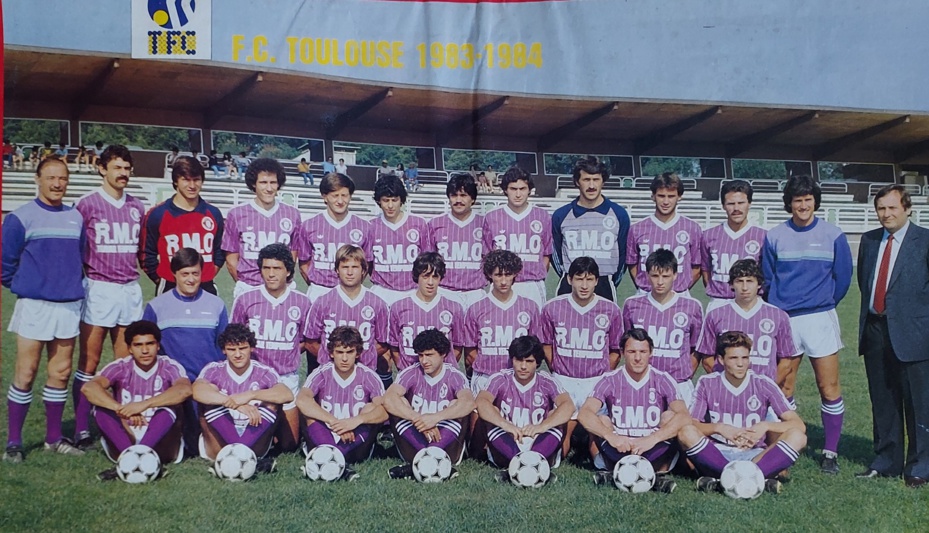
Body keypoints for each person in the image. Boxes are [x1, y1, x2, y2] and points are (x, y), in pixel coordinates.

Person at [762, 174, 852, 474]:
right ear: (790, 203)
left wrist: (821, 303)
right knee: (784, 384)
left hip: (819, 317)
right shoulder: (775, 235)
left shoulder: (833, 234)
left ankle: (830, 451)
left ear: (815, 201)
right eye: (798, 200)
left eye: (808, 199)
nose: (803, 205)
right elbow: (769, 277)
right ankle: (788, 443)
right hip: (785, 318)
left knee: (828, 385)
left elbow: (843, 279)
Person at [2, 157, 85, 462]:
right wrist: (30, 286)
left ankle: (53, 438)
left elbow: (80, 257)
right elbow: (5, 266)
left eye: (62, 178)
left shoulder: (75, 218)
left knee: (60, 372)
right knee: (26, 372)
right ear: (37, 179)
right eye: (50, 177)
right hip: (35, 305)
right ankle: (14, 442)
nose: (57, 184)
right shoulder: (20, 217)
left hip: (67, 305)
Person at [71, 144, 147, 449]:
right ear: (102, 169)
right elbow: (75, 250)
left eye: (127, 168)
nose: (123, 174)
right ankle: (80, 427)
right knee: (89, 361)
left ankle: (118, 420)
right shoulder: (86, 204)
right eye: (117, 168)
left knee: (123, 363)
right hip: (98, 287)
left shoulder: (137, 206)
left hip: (129, 288)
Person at [856, 184, 929, 488]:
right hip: (875, 330)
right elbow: (864, 280)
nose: (886, 214)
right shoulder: (870, 240)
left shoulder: (924, 240)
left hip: (915, 334)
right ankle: (886, 461)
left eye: (892, 208)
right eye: (881, 208)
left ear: (907, 208)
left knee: (919, 404)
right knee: (883, 402)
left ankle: (920, 467)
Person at [679, 331, 807, 494]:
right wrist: (719, 428)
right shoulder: (707, 383)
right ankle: (756, 479)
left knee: (798, 437)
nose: (740, 363)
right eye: (733, 358)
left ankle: (723, 480)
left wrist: (765, 426)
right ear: (721, 359)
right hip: (719, 454)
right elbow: (692, 424)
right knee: (686, 432)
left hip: (754, 455)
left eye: (744, 358)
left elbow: (798, 425)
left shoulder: (763, 383)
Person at [578, 328, 689, 493]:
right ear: (622, 353)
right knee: (601, 420)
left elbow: (684, 416)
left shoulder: (663, 379)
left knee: (670, 416)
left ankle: (616, 475)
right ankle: (651, 478)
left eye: (643, 351)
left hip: (652, 447)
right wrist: (611, 436)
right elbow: (584, 413)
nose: (638, 358)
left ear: (651, 352)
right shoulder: (609, 379)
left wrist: (652, 439)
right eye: (632, 351)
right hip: (620, 447)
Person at [142, 248, 228, 457]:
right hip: (174, 385)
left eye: (195, 273)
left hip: (206, 384)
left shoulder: (216, 304)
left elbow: (224, 348)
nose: (191, 279)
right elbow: (147, 348)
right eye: (185, 274)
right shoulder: (156, 306)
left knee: (210, 443)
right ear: (175, 274)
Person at [81, 320, 191, 480]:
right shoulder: (121, 366)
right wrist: (122, 409)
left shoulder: (168, 366)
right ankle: (132, 460)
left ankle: (129, 462)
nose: (145, 350)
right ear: (130, 348)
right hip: (126, 435)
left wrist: (142, 405)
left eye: (150, 344)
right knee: (101, 408)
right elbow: (88, 388)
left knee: (171, 407)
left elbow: (184, 390)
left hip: (161, 440)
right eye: (138, 345)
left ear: (158, 346)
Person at [231, 243, 312, 453]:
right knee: (250, 433)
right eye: (266, 268)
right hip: (254, 379)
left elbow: (306, 339)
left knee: (289, 444)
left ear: (288, 270)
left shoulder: (302, 302)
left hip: (286, 377)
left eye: (276, 268)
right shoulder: (246, 299)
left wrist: (288, 351)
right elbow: (234, 339)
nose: (271, 274)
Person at [540, 257, 623, 457]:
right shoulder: (552, 307)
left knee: (598, 437)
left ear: (597, 281)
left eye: (589, 279)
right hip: (564, 379)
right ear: (569, 280)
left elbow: (615, 349)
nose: (584, 285)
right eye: (579, 279)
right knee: (561, 432)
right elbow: (545, 343)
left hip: (595, 381)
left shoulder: (610, 309)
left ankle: (602, 464)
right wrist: (557, 368)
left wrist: (603, 374)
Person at [193, 324, 293, 472]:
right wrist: (234, 404)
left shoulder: (264, 371)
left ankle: (231, 461)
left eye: (243, 348)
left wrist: (250, 395)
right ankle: (250, 462)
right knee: (209, 399)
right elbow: (197, 391)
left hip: (254, 439)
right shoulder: (213, 370)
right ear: (223, 350)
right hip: (219, 442)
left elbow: (286, 394)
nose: (238, 354)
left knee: (272, 402)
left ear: (252, 348)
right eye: (232, 349)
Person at [476, 335, 574, 482]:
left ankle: (522, 467)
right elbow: (481, 402)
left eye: (529, 361)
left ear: (537, 363)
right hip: (508, 440)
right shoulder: (500, 378)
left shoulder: (547, 381)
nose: (523, 366)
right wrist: (506, 425)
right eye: (518, 360)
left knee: (557, 415)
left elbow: (568, 405)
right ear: (512, 360)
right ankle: (533, 468)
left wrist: (542, 426)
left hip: (538, 440)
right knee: (491, 414)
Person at [297, 326, 388, 481]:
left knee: (371, 408)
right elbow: (302, 399)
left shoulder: (368, 375)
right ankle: (340, 465)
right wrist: (335, 423)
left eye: (349, 352)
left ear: (358, 353)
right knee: (308, 410)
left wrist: (355, 421)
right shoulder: (322, 372)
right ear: (331, 353)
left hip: (355, 437)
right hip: (328, 431)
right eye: (340, 352)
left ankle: (323, 460)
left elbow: (384, 411)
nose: (344, 358)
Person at [383, 329, 475, 479]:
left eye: (429, 355)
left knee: (456, 404)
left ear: (443, 354)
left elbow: (469, 403)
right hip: (417, 435)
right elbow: (389, 399)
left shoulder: (454, 375)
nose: (424, 361)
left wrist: (434, 418)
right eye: (420, 355)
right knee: (400, 403)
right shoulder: (411, 372)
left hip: (445, 439)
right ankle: (434, 464)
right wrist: (418, 418)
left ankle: (416, 465)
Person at [621, 250, 704, 407]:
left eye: (665, 276)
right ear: (647, 275)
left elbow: (696, 348)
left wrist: (685, 373)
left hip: (679, 383)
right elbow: (627, 344)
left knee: (681, 428)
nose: (660, 282)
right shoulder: (632, 305)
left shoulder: (692, 306)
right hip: (643, 381)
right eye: (655, 276)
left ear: (675, 275)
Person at [696, 259, 800, 382]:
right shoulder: (715, 315)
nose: (744, 287)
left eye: (750, 281)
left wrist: (768, 389)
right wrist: (725, 385)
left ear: (759, 284)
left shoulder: (778, 316)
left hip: (763, 393)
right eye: (739, 281)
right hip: (727, 392)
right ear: (731, 284)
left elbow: (786, 361)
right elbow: (707, 358)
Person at [303, 244, 391, 388]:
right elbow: (310, 341)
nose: (350, 272)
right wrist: (330, 357)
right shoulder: (323, 301)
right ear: (337, 270)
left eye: (355, 267)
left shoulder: (377, 303)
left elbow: (383, 343)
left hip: (365, 373)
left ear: (363, 270)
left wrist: (361, 356)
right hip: (329, 374)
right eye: (345, 267)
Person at [140, 155, 225, 295]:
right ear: (175, 181)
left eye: (196, 179)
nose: (192, 186)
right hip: (170, 288)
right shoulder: (157, 214)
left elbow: (219, 251)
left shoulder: (213, 213)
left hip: (206, 288)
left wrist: (208, 274)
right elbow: (146, 254)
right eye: (185, 179)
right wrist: (162, 280)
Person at [552, 156, 631, 301]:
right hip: (570, 285)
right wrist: (570, 276)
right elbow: (556, 254)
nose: (592, 186)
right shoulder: (561, 215)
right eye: (586, 180)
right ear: (577, 181)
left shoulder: (619, 214)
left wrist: (611, 281)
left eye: (596, 179)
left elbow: (623, 255)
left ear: (603, 181)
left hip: (604, 284)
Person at [220, 158, 301, 298]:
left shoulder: (292, 214)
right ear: (253, 183)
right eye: (263, 182)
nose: (269, 188)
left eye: (273, 183)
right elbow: (231, 258)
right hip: (248, 287)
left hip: (282, 289)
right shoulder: (236, 214)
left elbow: (292, 256)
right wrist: (244, 282)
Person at [482, 166, 553, 308]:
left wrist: (538, 275)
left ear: (529, 190)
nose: (518, 194)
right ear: (505, 190)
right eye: (513, 189)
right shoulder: (492, 217)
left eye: (522, 188)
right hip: (502, 284)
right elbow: (487, 255)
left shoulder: (542, 216)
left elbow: (546, 253)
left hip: (531, 284)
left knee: (533, 328)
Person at [295, 172, 370, 302]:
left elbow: (367, 263)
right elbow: (304, 263)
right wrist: (316, 284)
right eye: (335, 196)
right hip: (318, 291)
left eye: (344, 195)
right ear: (325, 197)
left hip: (350, 292)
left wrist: (351, 284)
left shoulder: (364, 227)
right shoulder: (309, 225)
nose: (340, 201)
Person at [626, 172, 703, 295]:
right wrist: (645, 287)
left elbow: (697, 267)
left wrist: (680, 289)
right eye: (661, 196)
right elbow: (632, 264)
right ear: (653, 196)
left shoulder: (692, 228)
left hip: (679, 294)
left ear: (679, 197)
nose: (666, 201)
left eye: (671, 196)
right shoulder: (636, 229)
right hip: (645, 294)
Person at [388, 253, 465, 371]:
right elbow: (394, 346)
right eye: (425, 276)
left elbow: (457, 346)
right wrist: (405, 370)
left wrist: (441, 369)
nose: (430, 282)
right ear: (417, 277)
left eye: (435, 277)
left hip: (442, 377)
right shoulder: (398, 307)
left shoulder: (454, 308)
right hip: (410, 375)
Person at [701, 180, 767, 311]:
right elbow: (705, 270)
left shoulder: (764, 237)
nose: (736, 208)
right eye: (731, 203)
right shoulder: (708, 235)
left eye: (741, 203)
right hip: (719, 303)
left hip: (752, 304)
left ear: (749, 203)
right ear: (723, 205)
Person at [366, 175, 429, 306]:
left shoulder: (418, 224)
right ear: (379, 201)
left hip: (412, 290)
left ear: (401, 200)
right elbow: (368, 264)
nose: (390, 205)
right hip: (382, 291)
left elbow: (427, 259)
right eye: (385, 200)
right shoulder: (370, 226)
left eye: (394, 200)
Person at [425, 173, 486, 309]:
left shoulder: (485, 224)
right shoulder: (435, 224)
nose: (458, 200)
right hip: (445, 291)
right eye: (454, 195)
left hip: (476, 292)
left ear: (473, 199)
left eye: (463, 195)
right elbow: (429, 261)